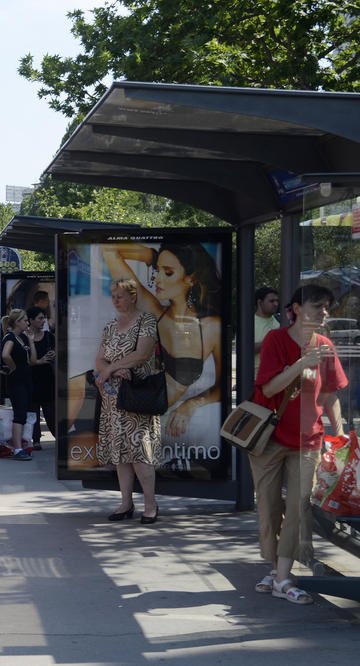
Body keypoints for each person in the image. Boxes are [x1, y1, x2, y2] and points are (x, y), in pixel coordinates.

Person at [251, 284, 346, 605]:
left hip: (309, 440)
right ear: (295, 309)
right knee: (269, 506)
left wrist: (341, 433)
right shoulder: (276, 340)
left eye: (326, 307)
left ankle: (281, 577)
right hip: (269, 439)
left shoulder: (326, 346)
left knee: (298, 507)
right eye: (317, 306)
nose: (324, 313)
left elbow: (330, 395)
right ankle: (276, 566)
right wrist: (301, 363)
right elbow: (268, 386)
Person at [101, 243, 223, 458]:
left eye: (167, 272)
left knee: (137, 465)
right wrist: (152, 255)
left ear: (191, 279)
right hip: (136, 406)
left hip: (156, 414)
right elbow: (109, 251)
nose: (157, 279)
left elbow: (223, 385)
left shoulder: (211, 326)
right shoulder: (156, 313)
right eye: (157, 270)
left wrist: (191, 405)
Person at [94, 278, 162, 524]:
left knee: (140, 452)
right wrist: (110, 369)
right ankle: (125, 502)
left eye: (120, 296)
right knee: (121, 453)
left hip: (137, 397)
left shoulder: (146, 321)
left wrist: (111, 369)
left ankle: (151, 504)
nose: (115, 300)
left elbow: (142, 353)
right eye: (113, 296)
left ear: (133, 297)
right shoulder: (110, 327)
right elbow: (99, 360)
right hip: (113, 401)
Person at [0, 308, 37, 460]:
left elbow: (33, 361)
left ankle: (20, 445)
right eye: (25, 320)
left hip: (25, 379)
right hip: (17, 381)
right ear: (17, 322)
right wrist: (13, 367)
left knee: (24, 413)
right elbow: (5, 355)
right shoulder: (10, 337)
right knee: (19, 414)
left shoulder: (21, 337)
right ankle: (17, 449)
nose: (27, 323)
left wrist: (31, 341)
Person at [25, 306, 56, 449]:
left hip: (47, 378)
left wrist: (54, 354)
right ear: (31, 320)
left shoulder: (50, 337)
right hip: (31, 378)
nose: (43, 321)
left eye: (44, 318)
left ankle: (58, 437)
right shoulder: (25, 338)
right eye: (40, 318)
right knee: (33, 412)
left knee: (50, 413)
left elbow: (57, 352)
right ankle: (35, 439)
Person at [254, 287, 281, 373]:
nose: (276, 304)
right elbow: (245, 350)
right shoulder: (248, 323)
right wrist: (270, 340)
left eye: (277, 301)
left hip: (276, 377)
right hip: (255, 377)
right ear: (260, 302)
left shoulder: (281, 321)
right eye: (271, 301)